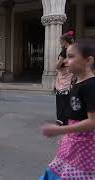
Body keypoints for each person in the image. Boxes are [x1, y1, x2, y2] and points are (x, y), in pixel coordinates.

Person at [40, 39, 95, 179]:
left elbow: (92, 122)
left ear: (88, 60)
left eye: (71, 57)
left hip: (85, 148)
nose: (65, 61)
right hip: (74, 142)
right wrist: (67, 136)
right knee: (57, 170)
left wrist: (60, 130)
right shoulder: (78, 82)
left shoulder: (91, 86)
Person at [54, 31, 75, 126]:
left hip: (64, 75)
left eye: (60, 41)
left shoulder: (65, 50)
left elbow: (58, 65)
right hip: (70, 73)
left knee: (61, 97)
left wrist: (57, 66)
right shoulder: (74, 49)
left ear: (65, 42)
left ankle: (61, 119)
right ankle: (67, 117)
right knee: (67, 97)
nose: (60, 42)